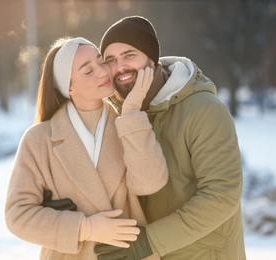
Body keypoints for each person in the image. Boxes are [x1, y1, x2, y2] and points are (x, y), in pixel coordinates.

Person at [90, 15, 246, 259]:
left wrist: (148, 242)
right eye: (111, 60)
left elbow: (221, 195)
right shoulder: (117, 114)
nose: (120, 67)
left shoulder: (203, 109)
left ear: (152, 59)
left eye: (129, 55)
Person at [4, 36, 168, 259]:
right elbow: (18, 215)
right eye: (87, 70)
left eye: (101, 62)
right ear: (68, 86)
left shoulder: (129, 124)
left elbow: (150, 183)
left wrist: (131, 112)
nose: (102, 72)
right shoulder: (39, 139)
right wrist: (86, 228)